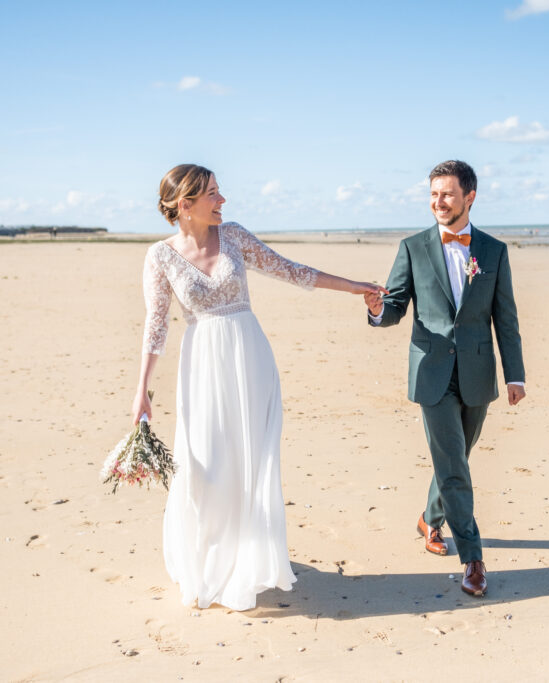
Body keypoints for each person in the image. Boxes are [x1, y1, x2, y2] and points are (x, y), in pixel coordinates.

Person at [133, 163, 386, 610]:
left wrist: (354, 288)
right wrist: (142, 393)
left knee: (252, 461)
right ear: (184, 205)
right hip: (203, 366)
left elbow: (292, 271)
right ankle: (209, 563)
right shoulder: (160, 255)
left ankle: (247, 563)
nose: (222, 200)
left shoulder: (234, 236)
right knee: (206, 464)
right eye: (212, 194)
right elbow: (156, 326)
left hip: (250, 360)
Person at [364, 160, 525, 597]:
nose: (438, 202)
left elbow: (504, 318)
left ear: (469, 197)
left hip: (477, 373)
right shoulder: (413, 247)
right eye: (433, 194)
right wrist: (378, 310)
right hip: (431, 372)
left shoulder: (493, 251)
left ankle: (429, 519)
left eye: (447, 194)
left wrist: (517, 375)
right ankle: (473, 558)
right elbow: (395, 306)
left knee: (457, 459)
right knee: (454, 466)